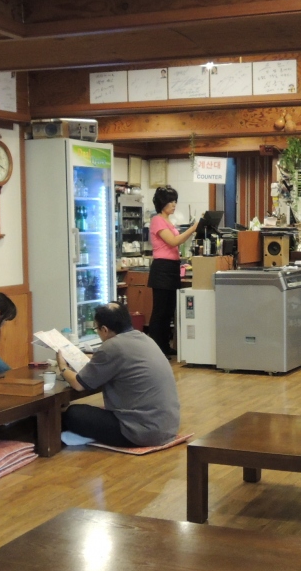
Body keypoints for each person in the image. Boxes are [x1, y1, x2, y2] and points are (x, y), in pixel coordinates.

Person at [58, 302, 180, 447]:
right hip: (166, 427)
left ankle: (78, 436)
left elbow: (78, 384)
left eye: (96, 329)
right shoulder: (144, 338)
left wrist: (62, 367)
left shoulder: (112, 346)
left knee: (73, 414)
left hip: (141, 432)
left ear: (104, 329)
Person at [146, 185, 202, 357]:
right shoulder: (157, 220)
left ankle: (164, 345)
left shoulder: (169, 221)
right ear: (162, 203)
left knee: (169, 311)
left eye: (175, 201)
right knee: (160, 311)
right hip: (162, 268)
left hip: (172, 267)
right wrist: (193, 228)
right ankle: (156, 348)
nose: (174, 205)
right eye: (170, 201)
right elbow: (173, 241)